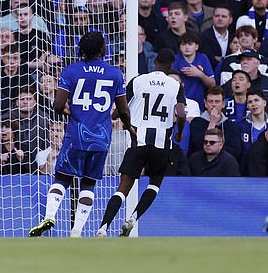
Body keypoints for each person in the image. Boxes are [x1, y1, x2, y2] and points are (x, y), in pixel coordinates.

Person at [28, 31, 134, 238]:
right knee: (88, 183)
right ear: (102, 49)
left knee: (62, 179)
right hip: (101, 138)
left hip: (76, 134)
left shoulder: (71, 71)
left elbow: (58, 105)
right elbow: (123, 110)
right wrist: (129, 128)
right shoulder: (115, 73)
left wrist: (70, 111)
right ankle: (77, 231)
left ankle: (49, 216)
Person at [96, 49, 186, 237]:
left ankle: (103, 227)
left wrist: (122, 121)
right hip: (162, 143)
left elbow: (119, 110)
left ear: (155, 63)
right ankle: (133, 218)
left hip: (138, 140)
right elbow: (181, 113)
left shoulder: (138, 80)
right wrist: (179, 134)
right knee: (154, 184)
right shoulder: (175, 85)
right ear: (171, 66)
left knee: (123, 188)